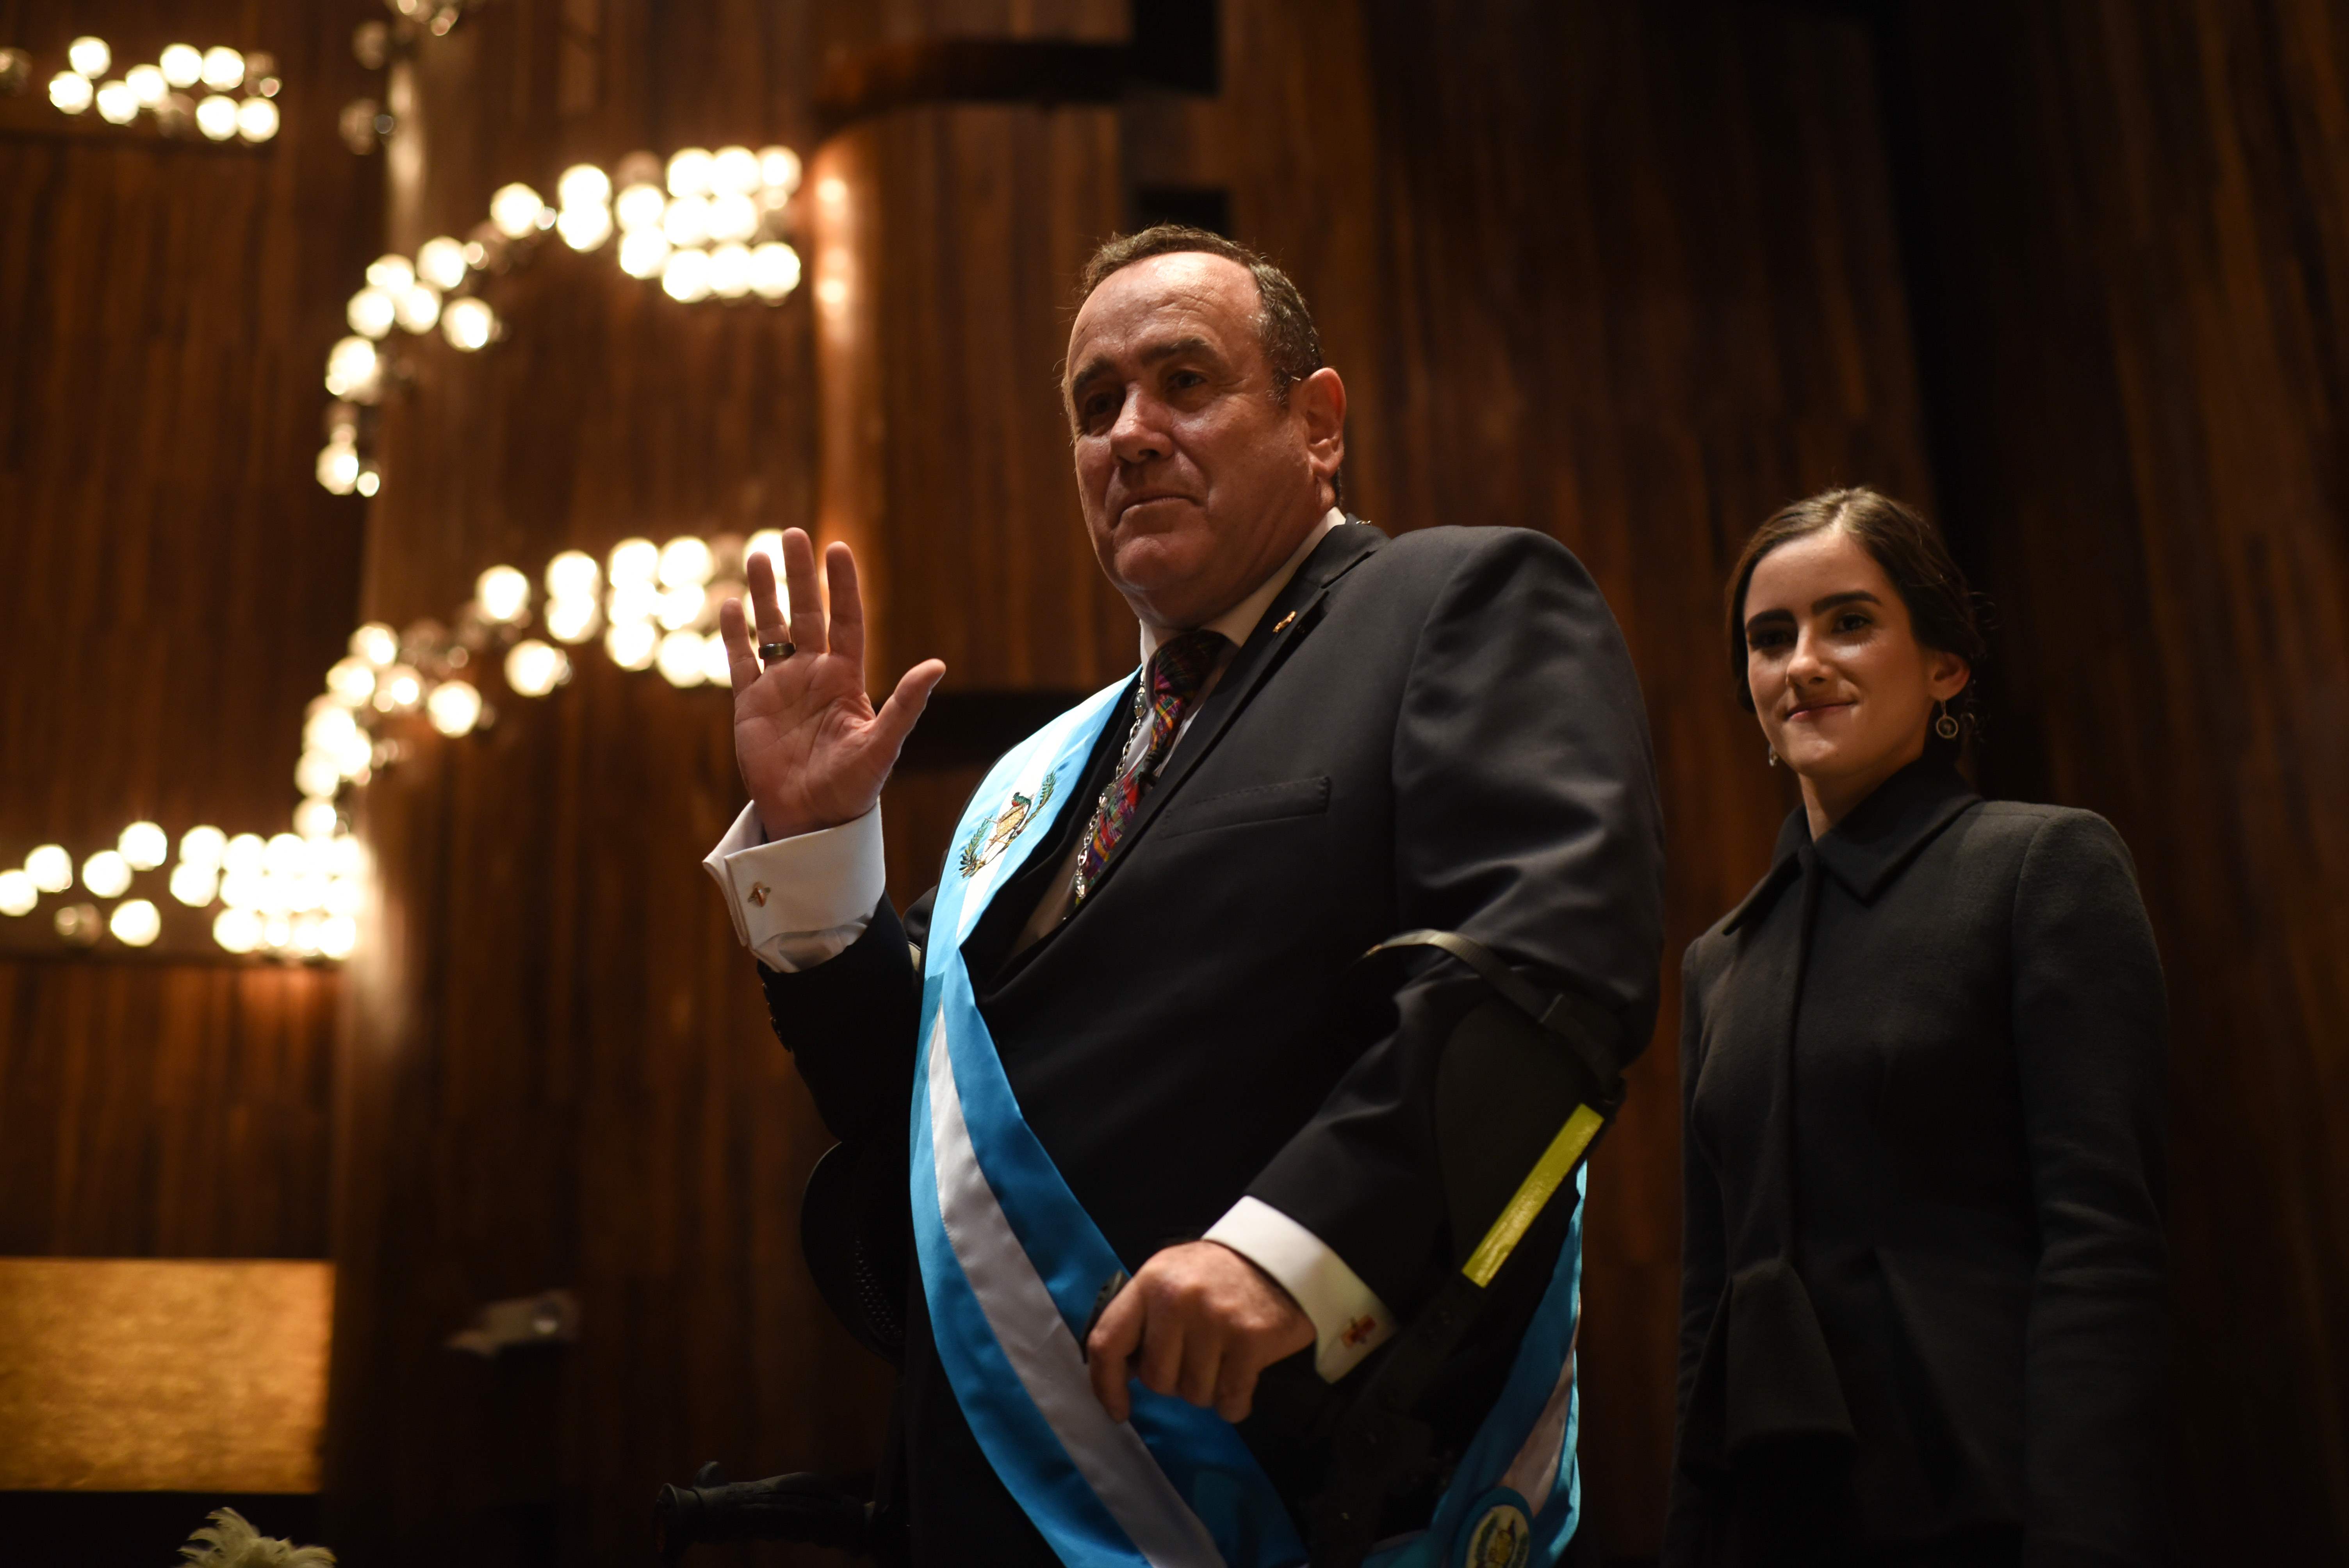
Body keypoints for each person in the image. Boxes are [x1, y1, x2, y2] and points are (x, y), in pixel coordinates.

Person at [700, 225, 1665, 1566]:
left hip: (1286, 1476)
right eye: (1097, 406)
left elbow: (1545, 966)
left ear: (1316, 424)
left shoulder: (1452, 602)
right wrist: (814, 847)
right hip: (991, 1499)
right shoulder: (1044, 775)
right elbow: (917, 1118)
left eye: (1185, 383)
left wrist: (1292, 1254)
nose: (1132, 434)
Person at [1665, 488, 2169, 1567]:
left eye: (1849, 621)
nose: (1802, 662)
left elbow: (2103, 1247)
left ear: (1944, 666)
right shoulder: (1718, 964)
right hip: (1774, 1526)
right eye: (1771, 638)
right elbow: (1707, 1316)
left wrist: (2083, 1542)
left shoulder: (2043, 868)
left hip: (1992, 1511)